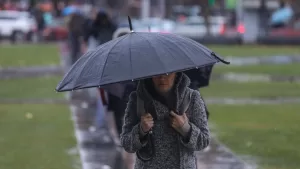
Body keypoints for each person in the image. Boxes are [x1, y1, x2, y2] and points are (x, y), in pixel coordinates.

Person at [120, 72, 210, 169]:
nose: (162, 78)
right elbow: (126, 144)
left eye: (168, 73)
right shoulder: (137, 99)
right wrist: (141, 130)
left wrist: (185, 128)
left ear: (176, 73)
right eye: (156, 73)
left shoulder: (192, 98)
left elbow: (203, 141)